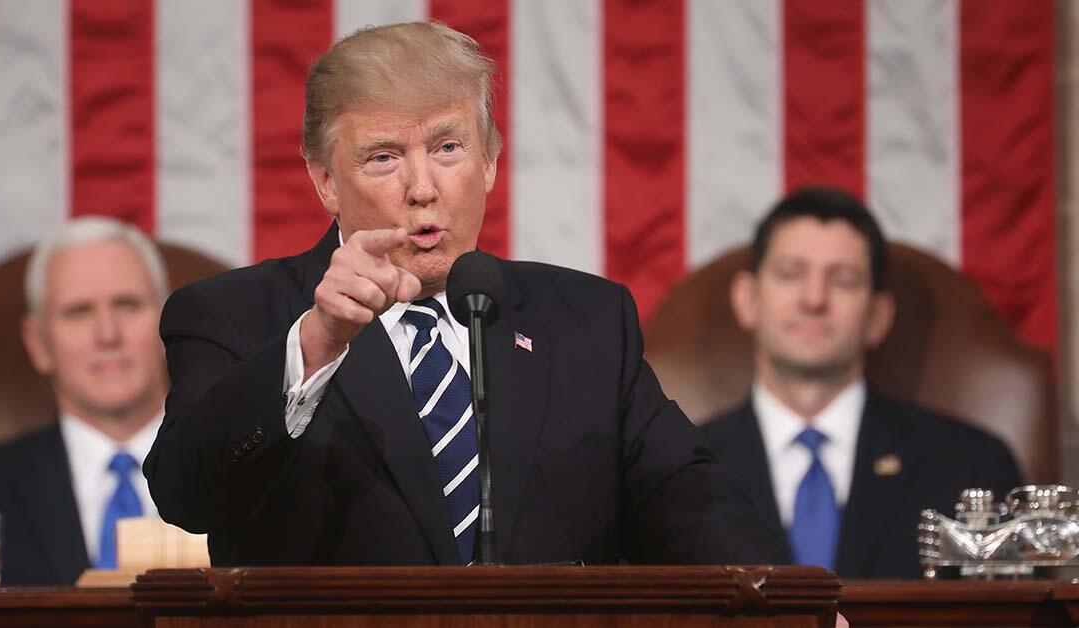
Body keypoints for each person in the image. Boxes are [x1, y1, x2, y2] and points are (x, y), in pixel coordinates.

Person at [144, 22, 783, 567]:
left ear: (490, 162)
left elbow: (688, 497)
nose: (423, 188)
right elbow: (185, 494)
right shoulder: (236, 316)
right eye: (384, 158)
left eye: (448, 147)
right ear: (326, 181)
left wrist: (783, 601)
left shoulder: (586, 321)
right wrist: (316, 343)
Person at [701, 186, 1023, 579]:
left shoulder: (971, 467)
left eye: (843, 280)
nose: (814, 299)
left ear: (878, 316)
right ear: (748, 299)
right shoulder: (680, 473)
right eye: (790, 274)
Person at [0, 217, 171, 585]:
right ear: (38, 343)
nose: (107, 334)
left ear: (170, 324)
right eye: (78, 312)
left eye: (127, 305)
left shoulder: (252, 482)